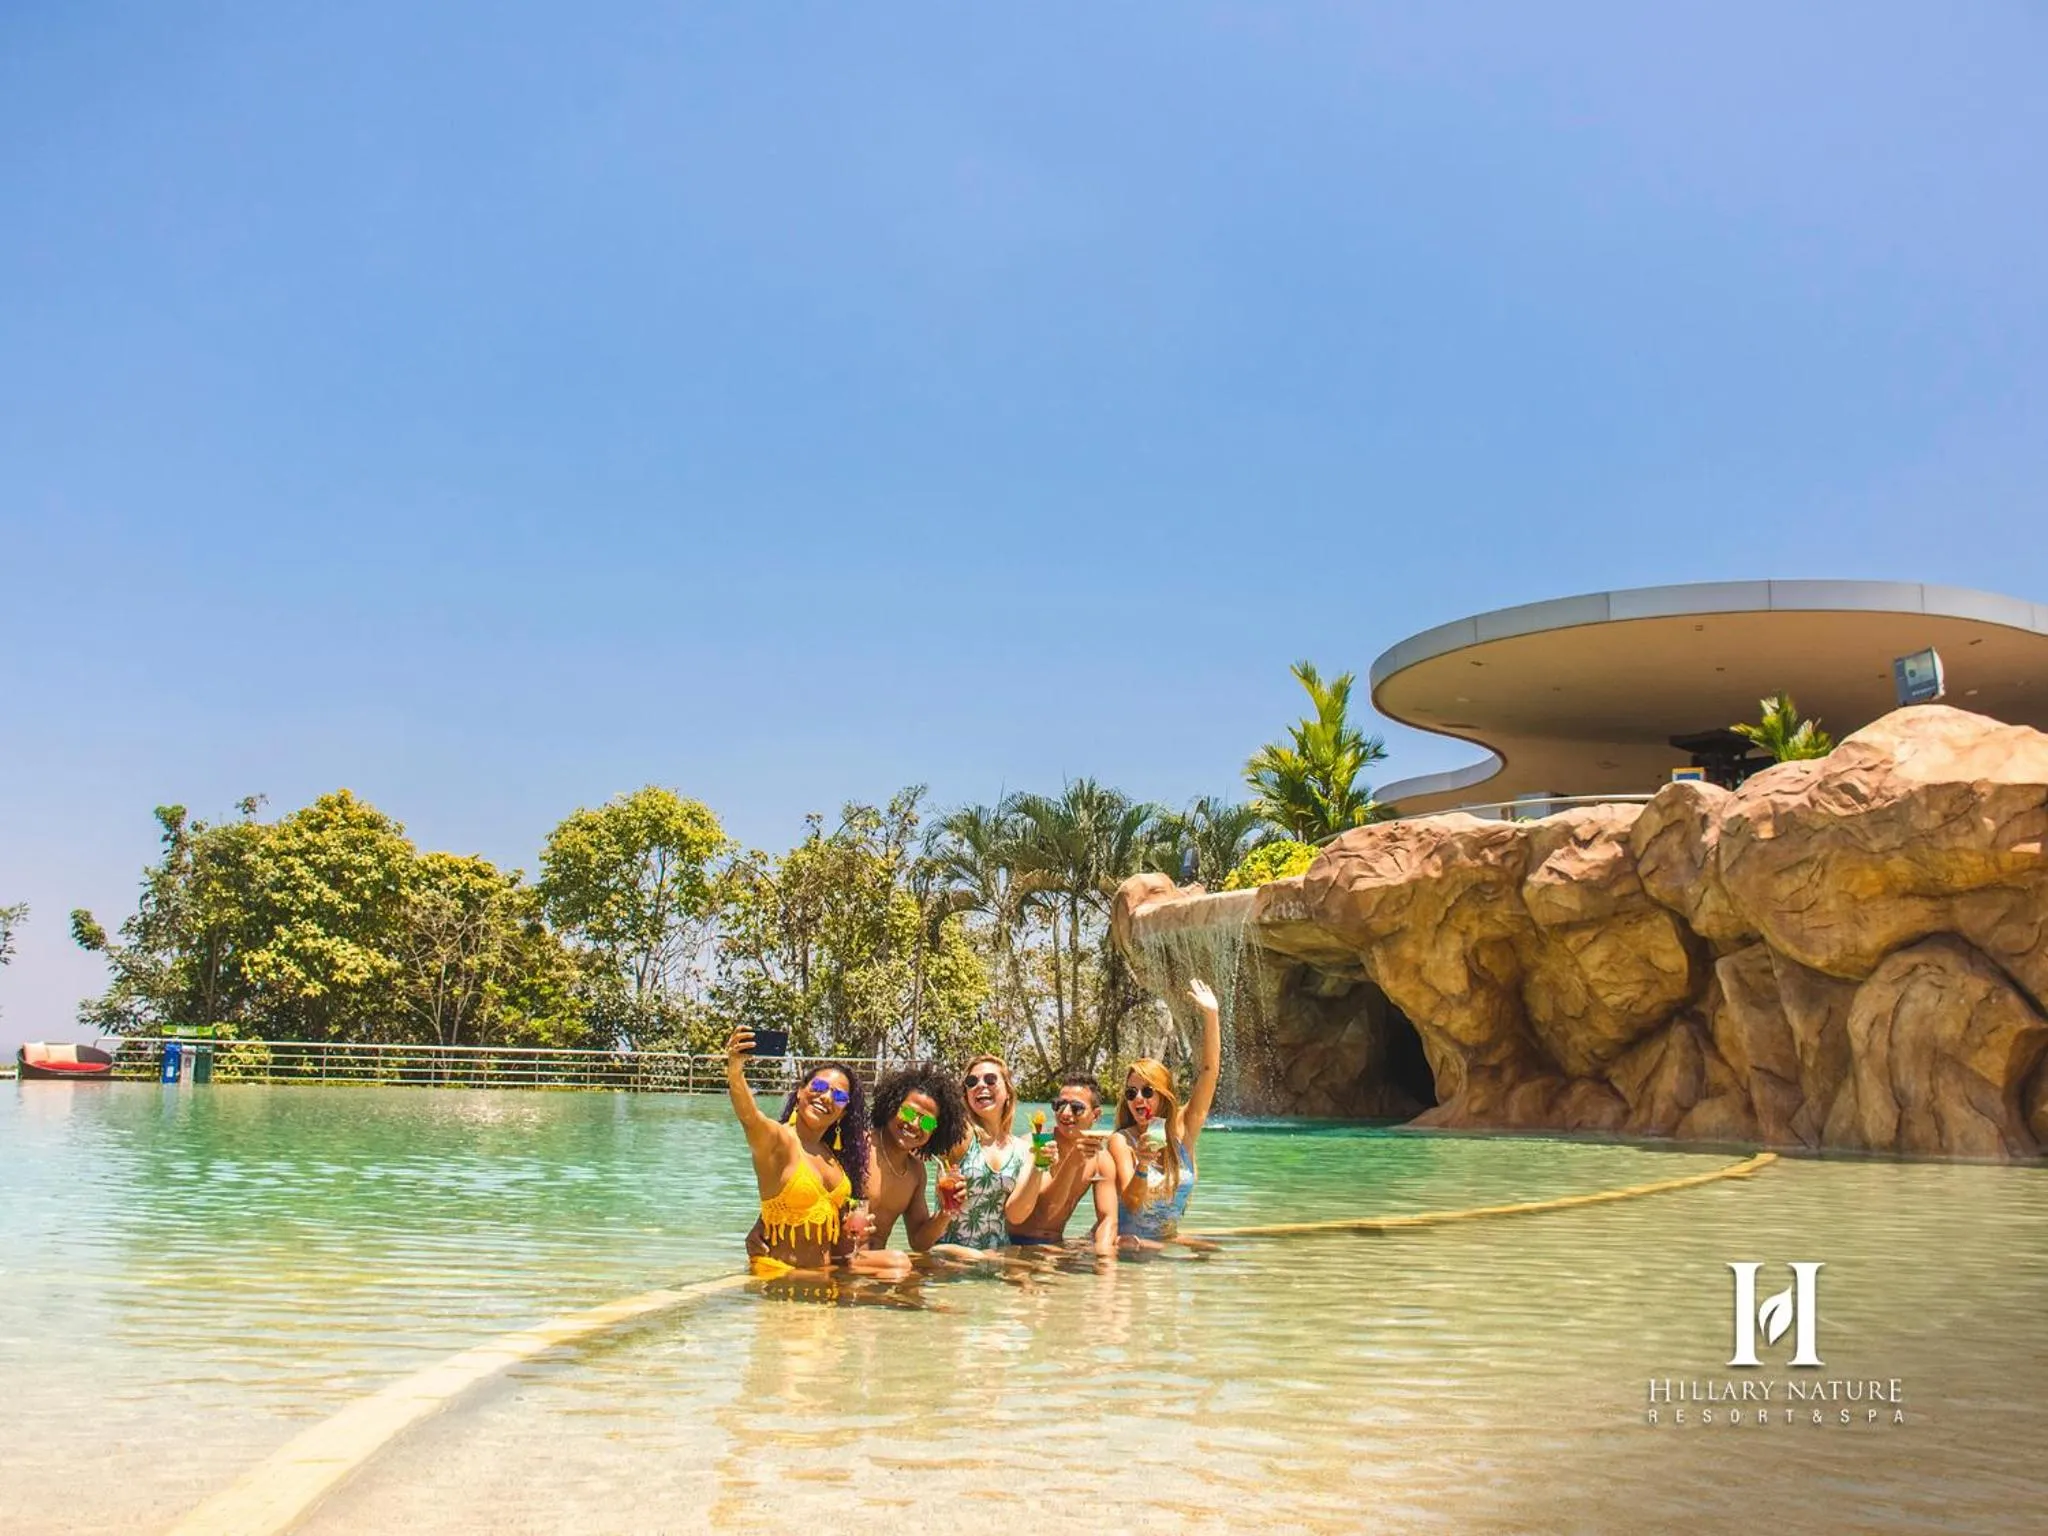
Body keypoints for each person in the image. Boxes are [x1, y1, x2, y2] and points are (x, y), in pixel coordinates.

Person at [723, 1025, 876, 1277]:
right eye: (818, 1086)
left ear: (843, 1113)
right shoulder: (779, 1141)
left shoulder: (831, 1156)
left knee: (899, 1268)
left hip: (821, 1278)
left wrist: (850, 1232)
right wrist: (735, 1069)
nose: (826, 1097)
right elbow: (749, 1116)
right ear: (799, 1092)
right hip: (780, 1278)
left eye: (839, 1097)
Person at [1096, 978, 1222, 1255]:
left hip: (1166, 1241)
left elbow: (1209, 1073)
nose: (1138, 1098)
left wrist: (1212, 1015)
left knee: (1220, 1257)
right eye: (1131, 1094)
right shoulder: (1122, 1141)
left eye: (1146, 1091)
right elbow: (1131, 1202)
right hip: (1129, 1245)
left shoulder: (1183, 1130)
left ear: (1164, 1095)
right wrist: (1142, 1164)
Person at [937, 1054, 1044, 1254]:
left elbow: (1016, 1215)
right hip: (950, 1256)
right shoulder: (959, 1136)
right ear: (966, 1094)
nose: (980, 1085)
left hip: (996, 1259)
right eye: (972, 1082)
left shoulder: (1022, 1149)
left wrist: (1040, 1166)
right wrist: (906, 1116)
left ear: (1008, 1092)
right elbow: (925, 1125)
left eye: (990, 1079)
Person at [866, 1064, 969, 1252]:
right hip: (838, 1262)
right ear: (891, 1106)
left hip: (874, 1267)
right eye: (908, 1112)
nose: (914, 1124)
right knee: (899, 1264)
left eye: (927, 1122)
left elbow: (919, 1242)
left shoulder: (915, 1171)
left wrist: (946, 1211)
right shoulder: (859, 1146)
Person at [1009, 1074, 1110, 1246]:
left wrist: (1105, 1263)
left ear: (1096, 1115)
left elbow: (1108, 1218)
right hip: (1018, 1244)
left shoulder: (1101, 1159)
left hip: (1057, 1245)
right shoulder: (1036, 1144)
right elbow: (1044, 1212)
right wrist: (1072, 1162)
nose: (1065, 1113)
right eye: (1059, 1105)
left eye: (1077, 1108)